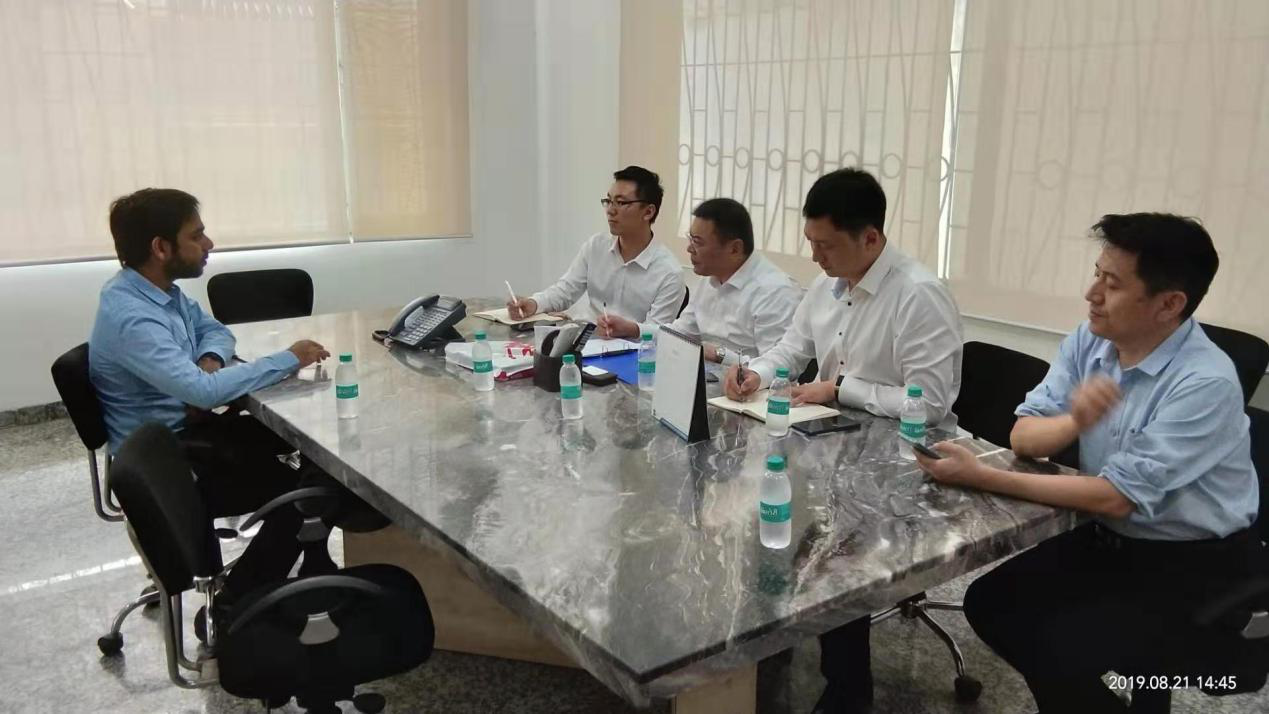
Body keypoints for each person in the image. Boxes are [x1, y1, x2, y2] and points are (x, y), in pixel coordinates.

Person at [916, 213, 1260, 713]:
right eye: (1098, 273)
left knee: (1058, 645)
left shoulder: (1205, 382)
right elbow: (1024, 435)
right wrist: (1074, 420)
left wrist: (982, 475)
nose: (1091, 293)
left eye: (1112, 284)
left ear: (1169, 304)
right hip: (1108, 539)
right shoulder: (1091, 340)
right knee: (990, 605)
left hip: (1193, 562)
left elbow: (1116, 497)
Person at [724, 168, 964, 713]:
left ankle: (849, 690)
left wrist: (840, 388)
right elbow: (791, 348)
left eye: (826, 245)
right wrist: (756, 373)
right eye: (811, 242)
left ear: (870, 238)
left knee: (833, 552)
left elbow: (929, 405)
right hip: (835, 446)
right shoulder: (827, 285)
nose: (815, 257)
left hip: (907, 462)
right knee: (762, 520)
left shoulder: (919, 295)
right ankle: (769, 651)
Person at [89, 188, 329, 607]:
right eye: (196, 235)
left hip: (187, 431)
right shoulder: (132, 316)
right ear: (161, 247)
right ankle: (239, 604)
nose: (209, 243)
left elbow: (215, 332)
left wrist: (209, 360)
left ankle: (311, 565)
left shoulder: (160, 292)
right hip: (167, 467)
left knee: (314, 449)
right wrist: (289, 358)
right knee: (310, 491)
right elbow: (202, 393)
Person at [601, 197, 800, 365]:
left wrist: (720, 355)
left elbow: (778, 367)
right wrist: (633, 329)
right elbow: (679, 334)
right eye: (690, 239)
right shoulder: (710, 279)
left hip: (749, 393)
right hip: (705, 380)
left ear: (735, 248)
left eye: (697, 242)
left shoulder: (775, 291)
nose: (689, 249)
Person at [506, 166, 686, 338]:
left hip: (632, 352)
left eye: (621, 203)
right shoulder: (596, 246)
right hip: (586, 341)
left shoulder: (669, 272)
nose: (610, 211)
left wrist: (631, 329)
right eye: (608, 201)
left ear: (648, 212)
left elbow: (661, 334)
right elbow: (566, 290)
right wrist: (534, 304)